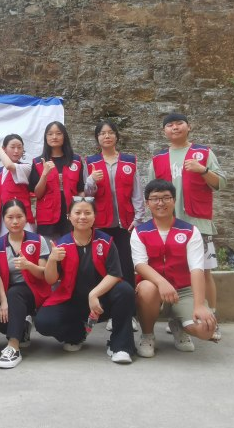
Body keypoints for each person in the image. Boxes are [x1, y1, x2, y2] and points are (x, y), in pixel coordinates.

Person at [148, 113, 226, 341]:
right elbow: (150, 192)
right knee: (172, 270)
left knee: (204, 271)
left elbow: (221, 183)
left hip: (198, 223)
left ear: (189, 127)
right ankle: (178, 318)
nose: (175, 128)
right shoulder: (158, 159)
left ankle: (211, 318)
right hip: (168, 225)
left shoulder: (203, 153)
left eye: (179, 123)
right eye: (169, 125)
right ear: (164, 131)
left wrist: (203, 170)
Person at [36, 196, 136, 364]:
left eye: (87, 213)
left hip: (102, 301)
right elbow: (51, 280)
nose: (82, 217)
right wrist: (52, 259)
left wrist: (94, 294)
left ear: (94, 216)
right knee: (43, 322)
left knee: (125, 290)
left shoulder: (105, 241)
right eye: (78, 213)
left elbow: (115, 274)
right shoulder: (61, 244)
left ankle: (120, 346)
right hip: (72, 301)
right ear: (69, 216)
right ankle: (76, 334)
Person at [131, 179, 218, 358]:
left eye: (166, 198)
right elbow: (140, 264)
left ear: (174, 200)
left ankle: (179, 324)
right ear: (147, 203)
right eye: (155, 198)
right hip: (154, 290)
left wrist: (199, 305)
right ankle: (147, 335)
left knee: (206, 330)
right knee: (146, 288)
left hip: (183, 291)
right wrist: (161, 282)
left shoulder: (190, 231)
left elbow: (196, 269)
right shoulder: (140, 232)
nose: (160, 203)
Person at [84, 120, 146, 332]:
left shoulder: (129, 161)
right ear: (97, 138)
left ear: (117, 136)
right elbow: (87, 195)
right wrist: (91, 180)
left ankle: (129, 315)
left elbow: (137, 192)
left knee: (126, 267)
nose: (107, 136)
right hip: (101, 224)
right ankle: (108, 313)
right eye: (102, 133)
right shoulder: (91, 162)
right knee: (104, 269)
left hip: (125, 225)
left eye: (110, 132)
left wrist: (138, 218)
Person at [0, 199, 51, 369]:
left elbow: (44, 274)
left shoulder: (38, 240)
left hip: (34, 291)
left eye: (19, 217)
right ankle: (23, 328)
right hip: (9, 294)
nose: (15, 221)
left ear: (26, 218)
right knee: (2, 321)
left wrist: (29, 266)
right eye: (10, 217)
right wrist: (3, 302)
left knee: (15, 293)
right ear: (4, 219)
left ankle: (13, 347)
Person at [29, 121, 85, 244]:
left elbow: (80, 190)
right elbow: (37, 194)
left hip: (71, 215)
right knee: (49, 251)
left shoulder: (76, 160)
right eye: (50, 134)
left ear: (64, 136)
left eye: (58, 133)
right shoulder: (38, 162)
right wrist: (45, 174)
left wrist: (82, 210)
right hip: (48, 217)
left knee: (71, 249)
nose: (54, 137)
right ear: (46, 137)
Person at [0, 135, 35, 238]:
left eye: (19, 147)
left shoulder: (26, 167)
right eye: (12, 147)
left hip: (21, 219)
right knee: (1, 247)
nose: (16, 151)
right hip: (1, 221)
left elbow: (9, 165)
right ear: (5, 149)